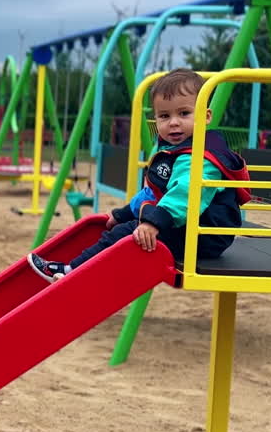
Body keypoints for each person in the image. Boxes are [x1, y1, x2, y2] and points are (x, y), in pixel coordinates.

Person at [29, 68, 251, 282]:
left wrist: (153, 223)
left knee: (129, 233)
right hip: (187, 229)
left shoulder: (202, 157)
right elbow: (152, 192)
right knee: (122, 227)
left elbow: (185, 196)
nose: (173, 122)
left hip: (205, 236)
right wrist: (122, 213)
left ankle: (71, 272)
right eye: (164, 116)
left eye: (184, 113)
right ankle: (78, 269)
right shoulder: (173, 149)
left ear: (206, 115)